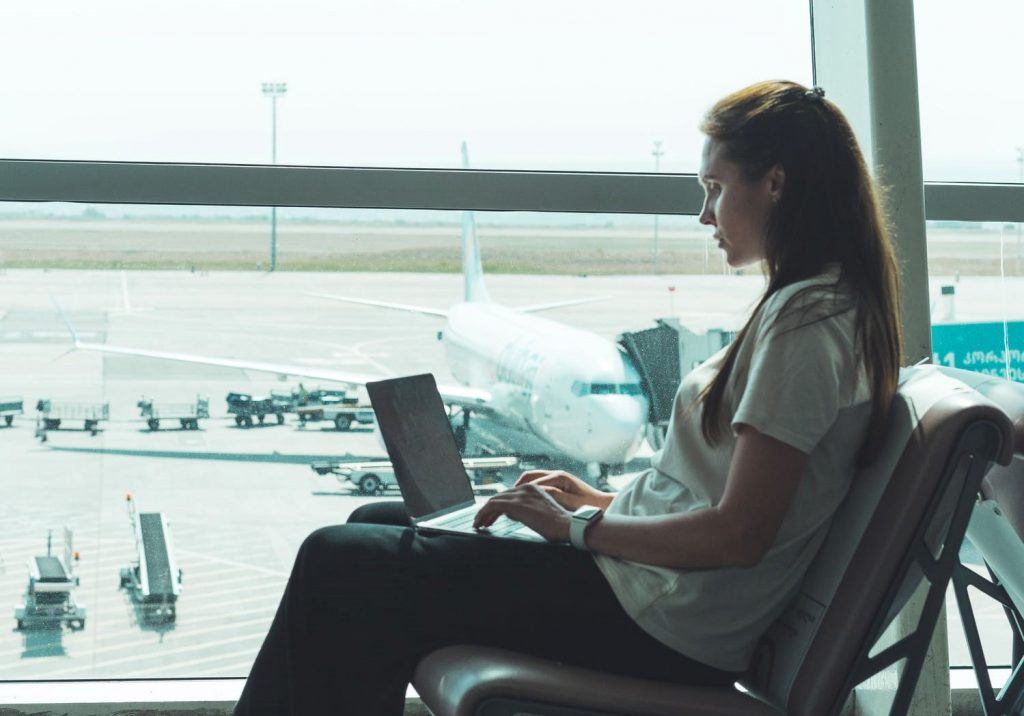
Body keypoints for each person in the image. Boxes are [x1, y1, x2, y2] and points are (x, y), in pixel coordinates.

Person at [233, 79, 903, 715]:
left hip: (658, 621)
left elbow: (741, 532)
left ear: (776, 185)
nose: (704, 214)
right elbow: (722, 496)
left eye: (715, 189)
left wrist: (575, 529)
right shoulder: (817, 306)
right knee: (373, 522)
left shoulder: (808, 325)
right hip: (648, 592)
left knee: (338, 561)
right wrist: (597, 502)